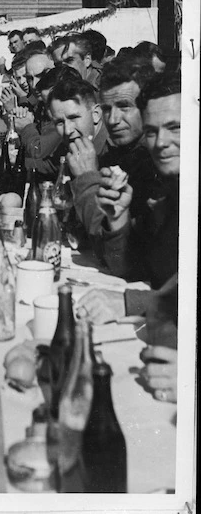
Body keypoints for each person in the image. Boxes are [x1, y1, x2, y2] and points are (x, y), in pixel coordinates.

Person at [77, 71, 181, 366]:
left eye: (175, 127)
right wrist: (119, 219)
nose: (161, 142)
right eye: (151, 131)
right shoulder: (169, 187)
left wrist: (129, 303)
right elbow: (132, 267)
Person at [69, 56, 161, 243]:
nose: (112, 120)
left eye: (124, 106)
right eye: (107, 109)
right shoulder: (116, 155)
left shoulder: (158, 163)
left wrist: (87, 179)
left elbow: (114, 246)